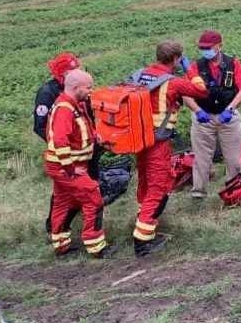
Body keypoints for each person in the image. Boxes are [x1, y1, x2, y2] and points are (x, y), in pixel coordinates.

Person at [131, 40, 207, 257]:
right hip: (158, 142)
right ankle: (143, 241)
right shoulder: (172, 83)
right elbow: (201, 91)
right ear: (175, 59)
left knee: (145, 182)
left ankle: (143, 221)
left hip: (139, 140)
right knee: (158, 186)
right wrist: (190, 68)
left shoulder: (138, 75)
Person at [44, 69, 114, 258]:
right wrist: (70, 169)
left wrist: (96, 139)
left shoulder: (76, 104)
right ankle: (96, 247)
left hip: (66, 165)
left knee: (63, 202)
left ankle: (61, 245)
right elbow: (60, 140)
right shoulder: (65, 109)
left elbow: (80, 131)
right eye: (88, 87)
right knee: (93, 198)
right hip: (67, 166)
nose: (91, 91)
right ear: (75, 88)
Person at [183, 30, 241, 199]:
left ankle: (234, 189)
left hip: (228, 116)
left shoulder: (233, 64)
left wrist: (231, 109)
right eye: (202, 48)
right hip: (203, 117)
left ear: (219, 46)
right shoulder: (195, 67)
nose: (205, 51)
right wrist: (197, 111)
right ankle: (198, 192)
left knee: (234, 159)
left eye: (209, 48)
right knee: (201, 158)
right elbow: (185, 93)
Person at [34, 52, 81, 141]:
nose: (77, 76)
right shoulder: (47, 93)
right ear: (62, 73)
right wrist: (59, 143)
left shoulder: (79, 86)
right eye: (72, 73)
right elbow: (40, 126)